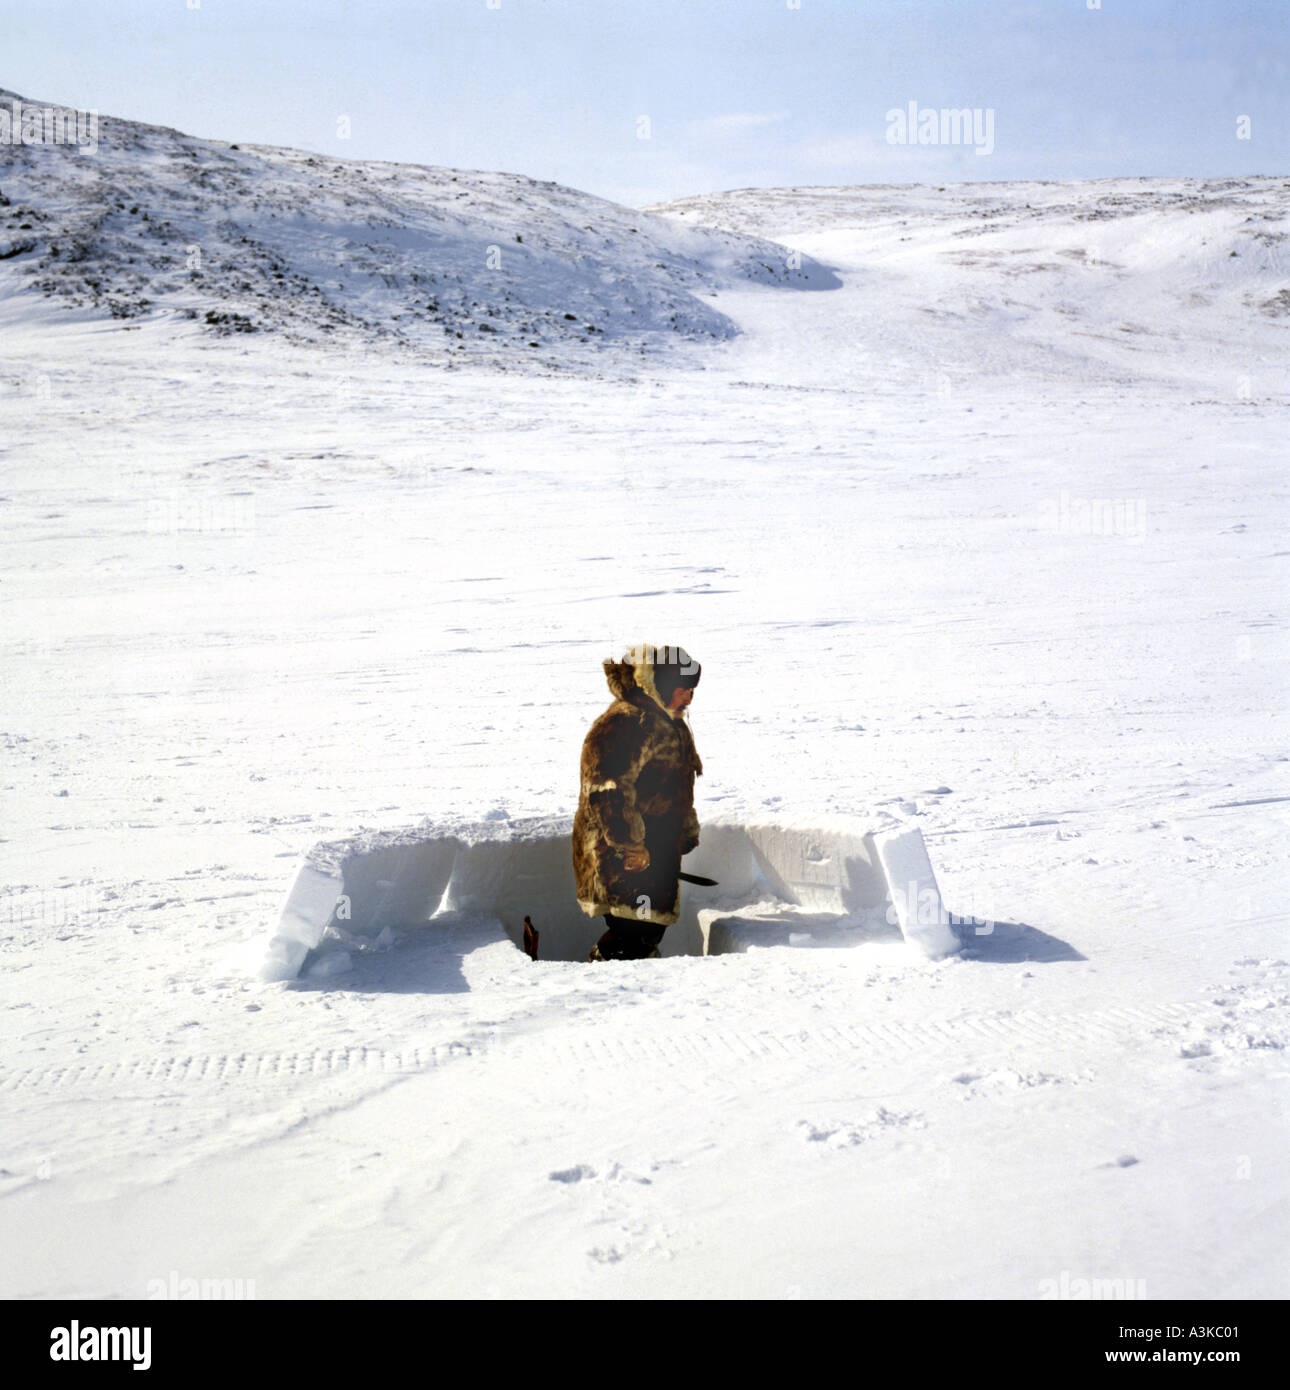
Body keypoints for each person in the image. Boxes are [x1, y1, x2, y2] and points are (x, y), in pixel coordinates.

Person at [572, 644, 703, 961]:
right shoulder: (626, 723)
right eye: (685, 690)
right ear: (664, 687)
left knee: (646, 927)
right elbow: (607, 790)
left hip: (654, 849)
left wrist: (685, 829)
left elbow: (677, 784)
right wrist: (630, 845)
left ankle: (638, 978)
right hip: (622, 854)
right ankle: (611, 979)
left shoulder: (669, 722)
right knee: (634, 929)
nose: (690, 698)